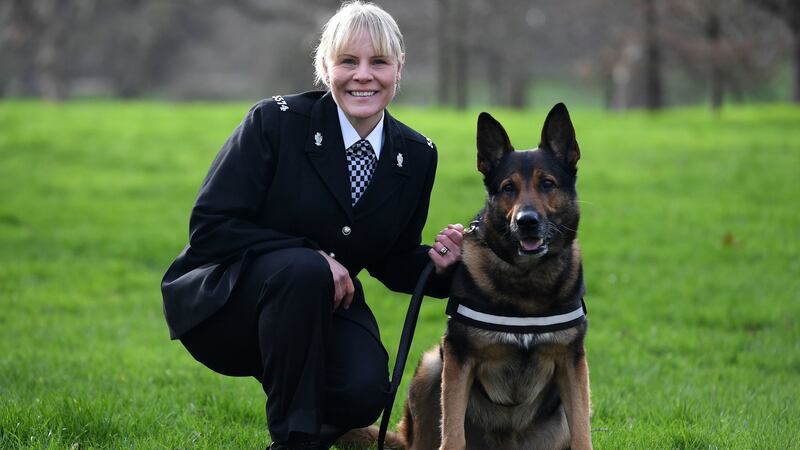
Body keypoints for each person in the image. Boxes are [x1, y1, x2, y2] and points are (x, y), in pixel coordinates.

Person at [160, 2, 463, 449]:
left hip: (323, 308)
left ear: (398, 70)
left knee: (364, 389)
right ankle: (293, 441)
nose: (364, 75)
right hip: (226, 304)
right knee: (303, 272)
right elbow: (211, 227)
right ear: (324, 67)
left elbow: (393, 256)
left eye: (378, 62)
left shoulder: (417, 154)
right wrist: (313, 256)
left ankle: (311, 432)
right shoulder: (273, 121)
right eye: (348, 61)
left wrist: (439, 265)